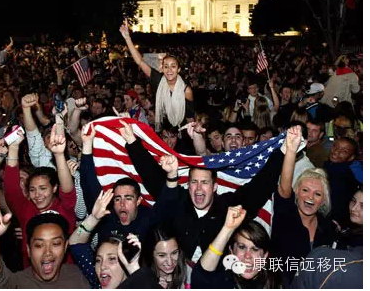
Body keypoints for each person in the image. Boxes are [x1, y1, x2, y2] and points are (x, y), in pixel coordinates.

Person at [121, 123, 294, 263]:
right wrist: (131, 141)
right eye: (194, 182)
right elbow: (153, 178)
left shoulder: (228, 206)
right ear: (188, 186)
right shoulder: (178, 201)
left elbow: (259, 188)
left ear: (215, 187)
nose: (198, 188)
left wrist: (283, 151)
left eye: (205, 183)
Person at [0, 196, 90, 289]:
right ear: (28, 250)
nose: (47, 252)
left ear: (65, 247)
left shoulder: (79, 274)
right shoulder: (17, 283)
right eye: (39, 245)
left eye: (56, 243)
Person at [271, 126, 336, 286]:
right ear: (297, 193)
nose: (310, 198)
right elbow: (284, 189)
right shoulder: (285, 216)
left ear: (323, 200)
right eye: (305, 190)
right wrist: (291, 150)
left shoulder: (328, 227)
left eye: (317, 194)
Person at [3, 125, 76, 266]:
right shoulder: (25, 209)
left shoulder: (65, 207)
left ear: (54, 188)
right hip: (32, 278)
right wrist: (13, 149)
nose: (37, 195)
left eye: (43, 188)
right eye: (32, 189)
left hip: (64, 276)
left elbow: (67, 189)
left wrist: (59, 155)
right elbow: (11, 189)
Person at [119, 20, 194, 131]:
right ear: (162, 69)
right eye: (166, 66)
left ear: (179, 69)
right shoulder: (159, 80)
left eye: (173, 66)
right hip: (161, 130)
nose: (169, 70)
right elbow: (140, 61)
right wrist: (127, 38)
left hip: (180, 132)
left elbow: (190, 118)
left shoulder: (186, 91)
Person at [191, 206, 280, 288]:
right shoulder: (221, 280)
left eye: (255, 249)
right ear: (232, 251)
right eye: (241, 247)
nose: (247, 256)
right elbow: (200, 277)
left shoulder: (275, 281)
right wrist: (228, 228)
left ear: (265, 256)